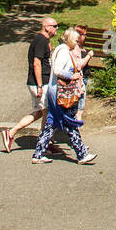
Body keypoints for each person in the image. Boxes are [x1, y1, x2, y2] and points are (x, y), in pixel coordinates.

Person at [31, 28, 97, 165]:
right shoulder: (64, 52)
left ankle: (38, 154)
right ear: (71, 40)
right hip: (62, 93)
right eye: (76, 41)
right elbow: (57, 70)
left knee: (52, 122)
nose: (78, 43)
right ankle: (82, 154)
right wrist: (72, 76)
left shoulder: (61, 50)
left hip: (55, 91)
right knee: (70, 121)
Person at [1, 16, 58, 153]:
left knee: (39, 112)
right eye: (55, 26)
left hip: (39, 82)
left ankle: (11, 133)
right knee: (48, 112)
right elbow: (36, 63)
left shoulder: (43, 41)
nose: (57, 28)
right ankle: (44, 143)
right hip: (40, 83)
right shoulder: (41, 41)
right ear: (47, 27)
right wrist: (39, 86)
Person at [70, 24, 94, 125]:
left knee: (78, 109)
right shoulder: (75, 48)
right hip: (79, 80)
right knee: (79, 109)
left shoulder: (80, 47)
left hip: (82, 79)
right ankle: (76, 134)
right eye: (84, 35)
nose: (86, 37)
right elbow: (79, 65)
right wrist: (89, 55)